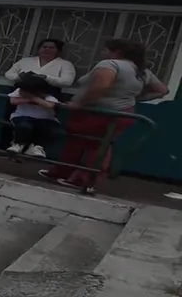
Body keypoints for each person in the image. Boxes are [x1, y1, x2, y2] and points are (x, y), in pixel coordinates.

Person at [42, 38, 170, 192]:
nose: (102, 52)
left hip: (100, 112)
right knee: (84, 142)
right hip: (123, 112)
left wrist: (80, 104)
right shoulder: (142, 71)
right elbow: (162, 90)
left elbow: (101, 87)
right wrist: (133, 99)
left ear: (117, 52)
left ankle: (84, 180)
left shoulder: (110, 64)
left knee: (94, 145)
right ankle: (63, 172)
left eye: (105, 50)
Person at [6, 75, 62, 157]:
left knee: (46, 129)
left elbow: (49, 105)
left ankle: (36, 147)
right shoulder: (19, 91)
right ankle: (18, 144)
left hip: (45, 119)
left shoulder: (48, 95)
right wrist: (28, 99)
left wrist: (34, 98)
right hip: (22, 115)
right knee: (24, 125)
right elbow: (13, 101)